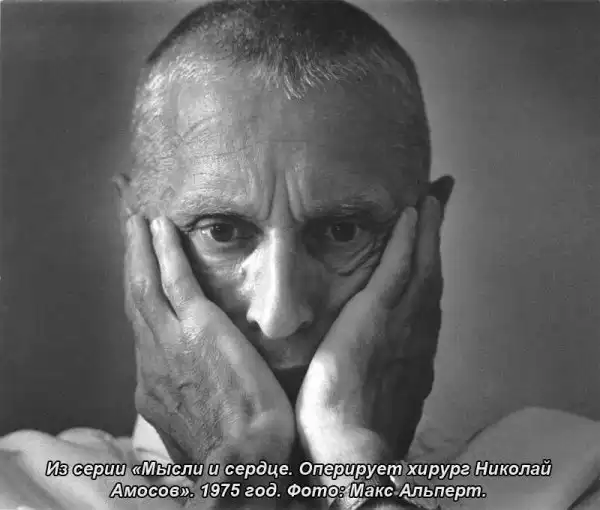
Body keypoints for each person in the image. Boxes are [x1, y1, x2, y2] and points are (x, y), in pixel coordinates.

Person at [2, 2, 600, 510]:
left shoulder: (570, 480)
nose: (280, 315)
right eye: (221, 231)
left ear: (428, 232)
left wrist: (356, 470)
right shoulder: (22, 490)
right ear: (133, 231)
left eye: (342, 230)